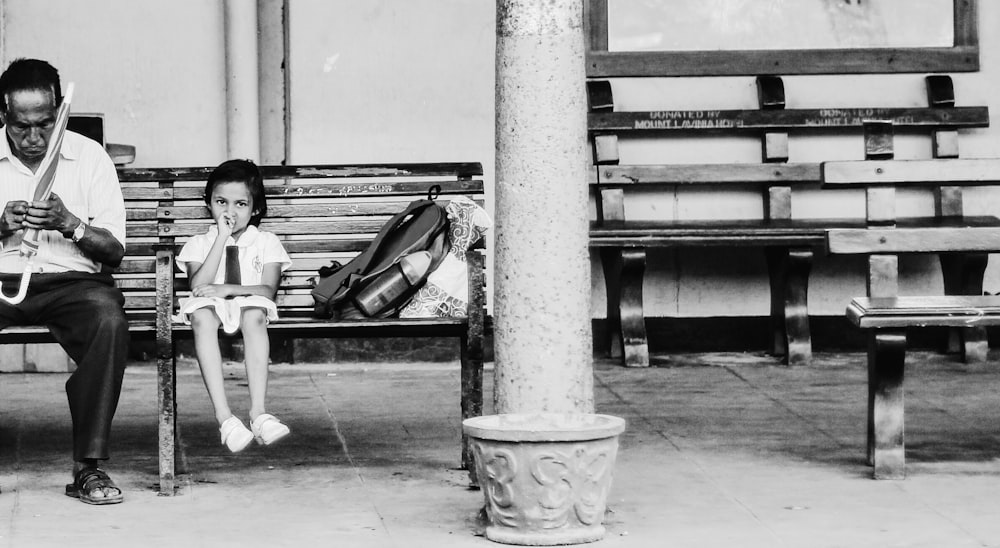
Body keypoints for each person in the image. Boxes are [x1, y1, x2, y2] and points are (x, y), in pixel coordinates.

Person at [0, 58, 127, 505]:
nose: (34, 138)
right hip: (4, 278)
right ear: (3, 117)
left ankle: (88, 468)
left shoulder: (89, 157)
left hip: (72, 283)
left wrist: (71, 224)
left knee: (107, 321)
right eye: (21, 127)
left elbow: (114, 252)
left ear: (61, 114)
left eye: (46, 125)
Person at [173, 159, 292, 453]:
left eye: (240, 204)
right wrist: (222, 237)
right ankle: (225, 418)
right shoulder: (200, 243)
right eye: (221, 202)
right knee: (201, 316)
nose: (230, 211)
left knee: (255, 315)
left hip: (249, 304)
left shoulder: (266, 242)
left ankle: (258, 413)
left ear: (256, 209)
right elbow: (197, 284)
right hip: (212, 307)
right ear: (209, 204)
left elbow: (268, 290)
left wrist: (228, 289)